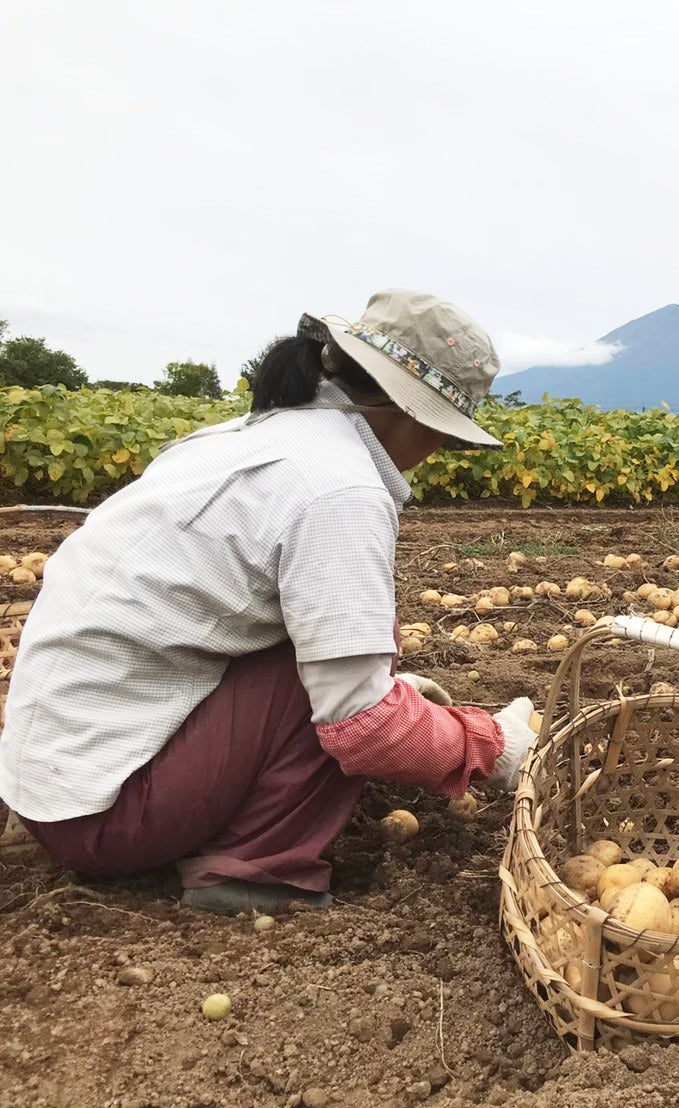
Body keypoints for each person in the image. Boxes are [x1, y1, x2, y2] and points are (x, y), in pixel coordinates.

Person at [0, 289, 539, 915]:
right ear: (415, 416)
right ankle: (257, 869)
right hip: (108, 819)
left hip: (49, 784)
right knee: (350, 689)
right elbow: (364, 725)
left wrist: (397, 694)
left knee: (344, 655)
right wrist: (491, 746)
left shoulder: (238, 438)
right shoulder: (340, 488)